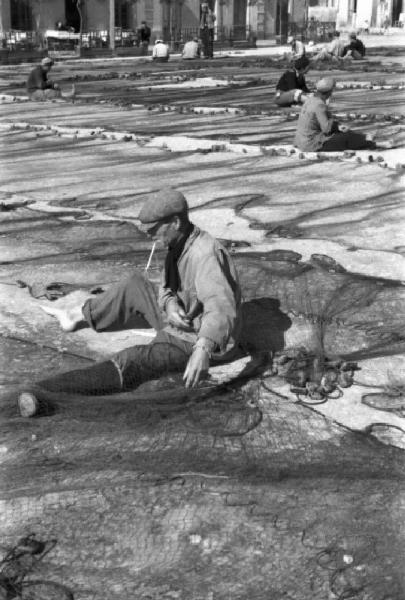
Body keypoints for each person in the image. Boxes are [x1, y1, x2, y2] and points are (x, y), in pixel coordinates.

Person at [17, 190, 243, 418]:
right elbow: (166, 288)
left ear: (175, 222)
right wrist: (171, 304)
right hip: (182, 321)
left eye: (154, 230)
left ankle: (45, 392)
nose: (151, 236)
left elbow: (221, 307)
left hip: (200, 340)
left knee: (133, 360)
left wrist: (203, 350)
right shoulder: (177, 242)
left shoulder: (205, 255)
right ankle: (78, 315)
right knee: (135, 284)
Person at [294, 77, 392, 152]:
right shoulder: (319, 105)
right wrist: (333, 121)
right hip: (311, 143)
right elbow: (326, 129)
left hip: (301, 140)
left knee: (344, 132)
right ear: (328, 92)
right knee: (346, 138)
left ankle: (364, 137)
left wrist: (337, 126)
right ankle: (376, 144)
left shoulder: (310, 100)